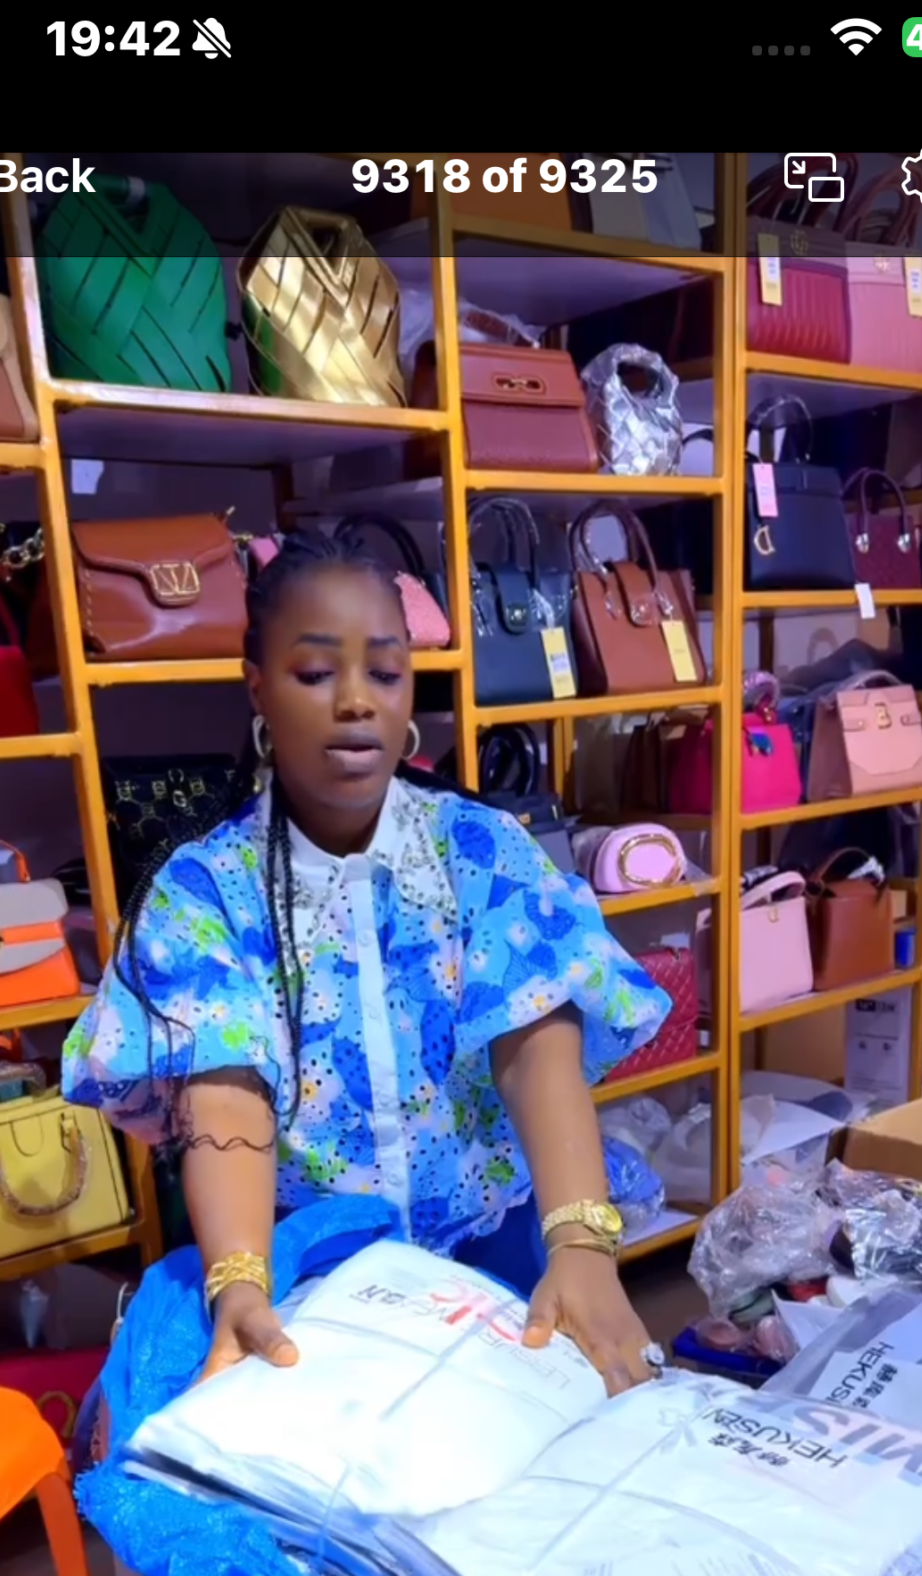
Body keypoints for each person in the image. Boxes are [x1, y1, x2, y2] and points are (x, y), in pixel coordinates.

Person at [63, 535, 675, 1414]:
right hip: (317, 1274)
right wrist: (241, 1283)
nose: (355, 702)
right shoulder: (207, 892)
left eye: (385, 674)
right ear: (258, 687)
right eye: (316, 674)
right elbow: (225, 1089)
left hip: (496, 1252)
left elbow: (537, 1038)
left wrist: (580, 1242)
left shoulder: (480, 850)